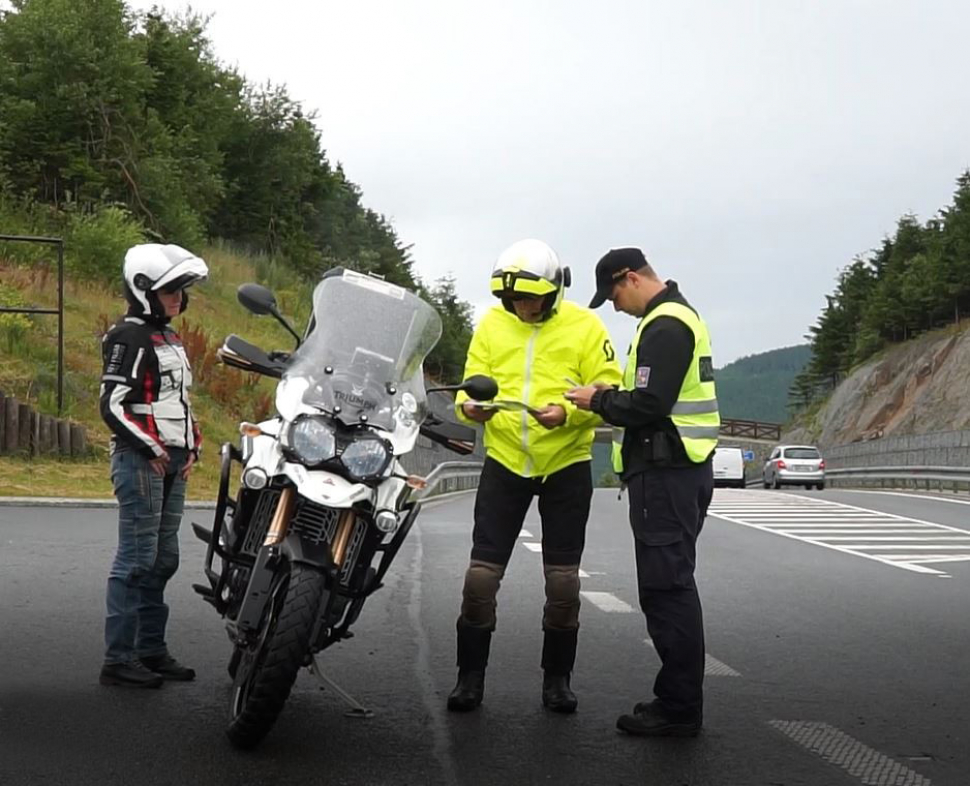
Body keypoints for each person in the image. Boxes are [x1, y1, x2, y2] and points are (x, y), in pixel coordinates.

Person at [447, 239, 622, 714]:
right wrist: (471, 409)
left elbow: (608, 385)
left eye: (531, 298)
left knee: (563, 582)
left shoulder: (586, 326)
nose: (522, 307)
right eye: (514, 300)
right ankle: (470, 677)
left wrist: (566, 413)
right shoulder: (491, 324)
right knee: (480, 579)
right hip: (505, 460)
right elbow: (470, 384)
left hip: (566, 462)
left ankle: (557, 680)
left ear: (554, 291)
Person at [565, 247, 718, 737]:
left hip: (666, 473)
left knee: (667, 590)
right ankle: (677, 700)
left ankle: (677, 708)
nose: (613, 306)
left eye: (612, 295)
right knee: (671, 585)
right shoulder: (675, 317)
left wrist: (598, 399)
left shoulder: (665, 325)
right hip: (676, 472)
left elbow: (650, 404)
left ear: (629, 278)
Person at [98, 243, 209, 688]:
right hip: (144, 460)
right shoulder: (129, 336)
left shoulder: (167, 335)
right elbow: (112, 404)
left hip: (169, 459)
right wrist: (153, 449)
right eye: (170, 291)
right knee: (137, 559)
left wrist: (193, 445)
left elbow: (174, 402)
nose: (178, 299)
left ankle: (149, 650)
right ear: (143, 289)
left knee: (163, 559)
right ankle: (118, 659)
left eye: (181, 290)